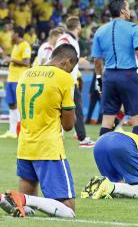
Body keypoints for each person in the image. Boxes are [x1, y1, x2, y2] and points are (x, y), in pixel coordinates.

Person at [0, 44, 78, 218]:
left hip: (25, 146)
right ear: (67, 61)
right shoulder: (64, 78)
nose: (70, 72)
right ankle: (21, 199)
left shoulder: (25, 74)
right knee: (69, 210)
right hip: (48, 148)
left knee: (26, 211)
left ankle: (15, 200)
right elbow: (68, 125)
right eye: (71, 68)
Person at [92, 0, 138, 137]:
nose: (130, 11)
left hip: (109, 76)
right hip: (128, 75)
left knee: (107, 121)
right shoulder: (133, 28)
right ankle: (135, 156)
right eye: (128, 8)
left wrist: (100, 79)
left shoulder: (100, 31)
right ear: (123, 11)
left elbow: (96, 61)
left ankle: (102, 155)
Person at [56, 16, 94, 147]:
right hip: (65, 80)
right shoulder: (67, 40)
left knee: (70, 109)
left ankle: (77, 137)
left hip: (66, 80)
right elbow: (61, 59)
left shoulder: (69, 39)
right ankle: (82, 139)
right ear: (78, 27)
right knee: (74, 109)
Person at [0, 27, 31, 139]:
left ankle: (20, 130)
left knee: (19, 105)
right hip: (11, 78)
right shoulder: (15, 46)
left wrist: (11, 60)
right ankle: (12, 131)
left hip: (19, 79)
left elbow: (26, 62)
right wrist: (3, 54)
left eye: (12, 33)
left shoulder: (25, 45)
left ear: (17, 34)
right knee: (11, 104)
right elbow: (8, 60)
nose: (11, 35)